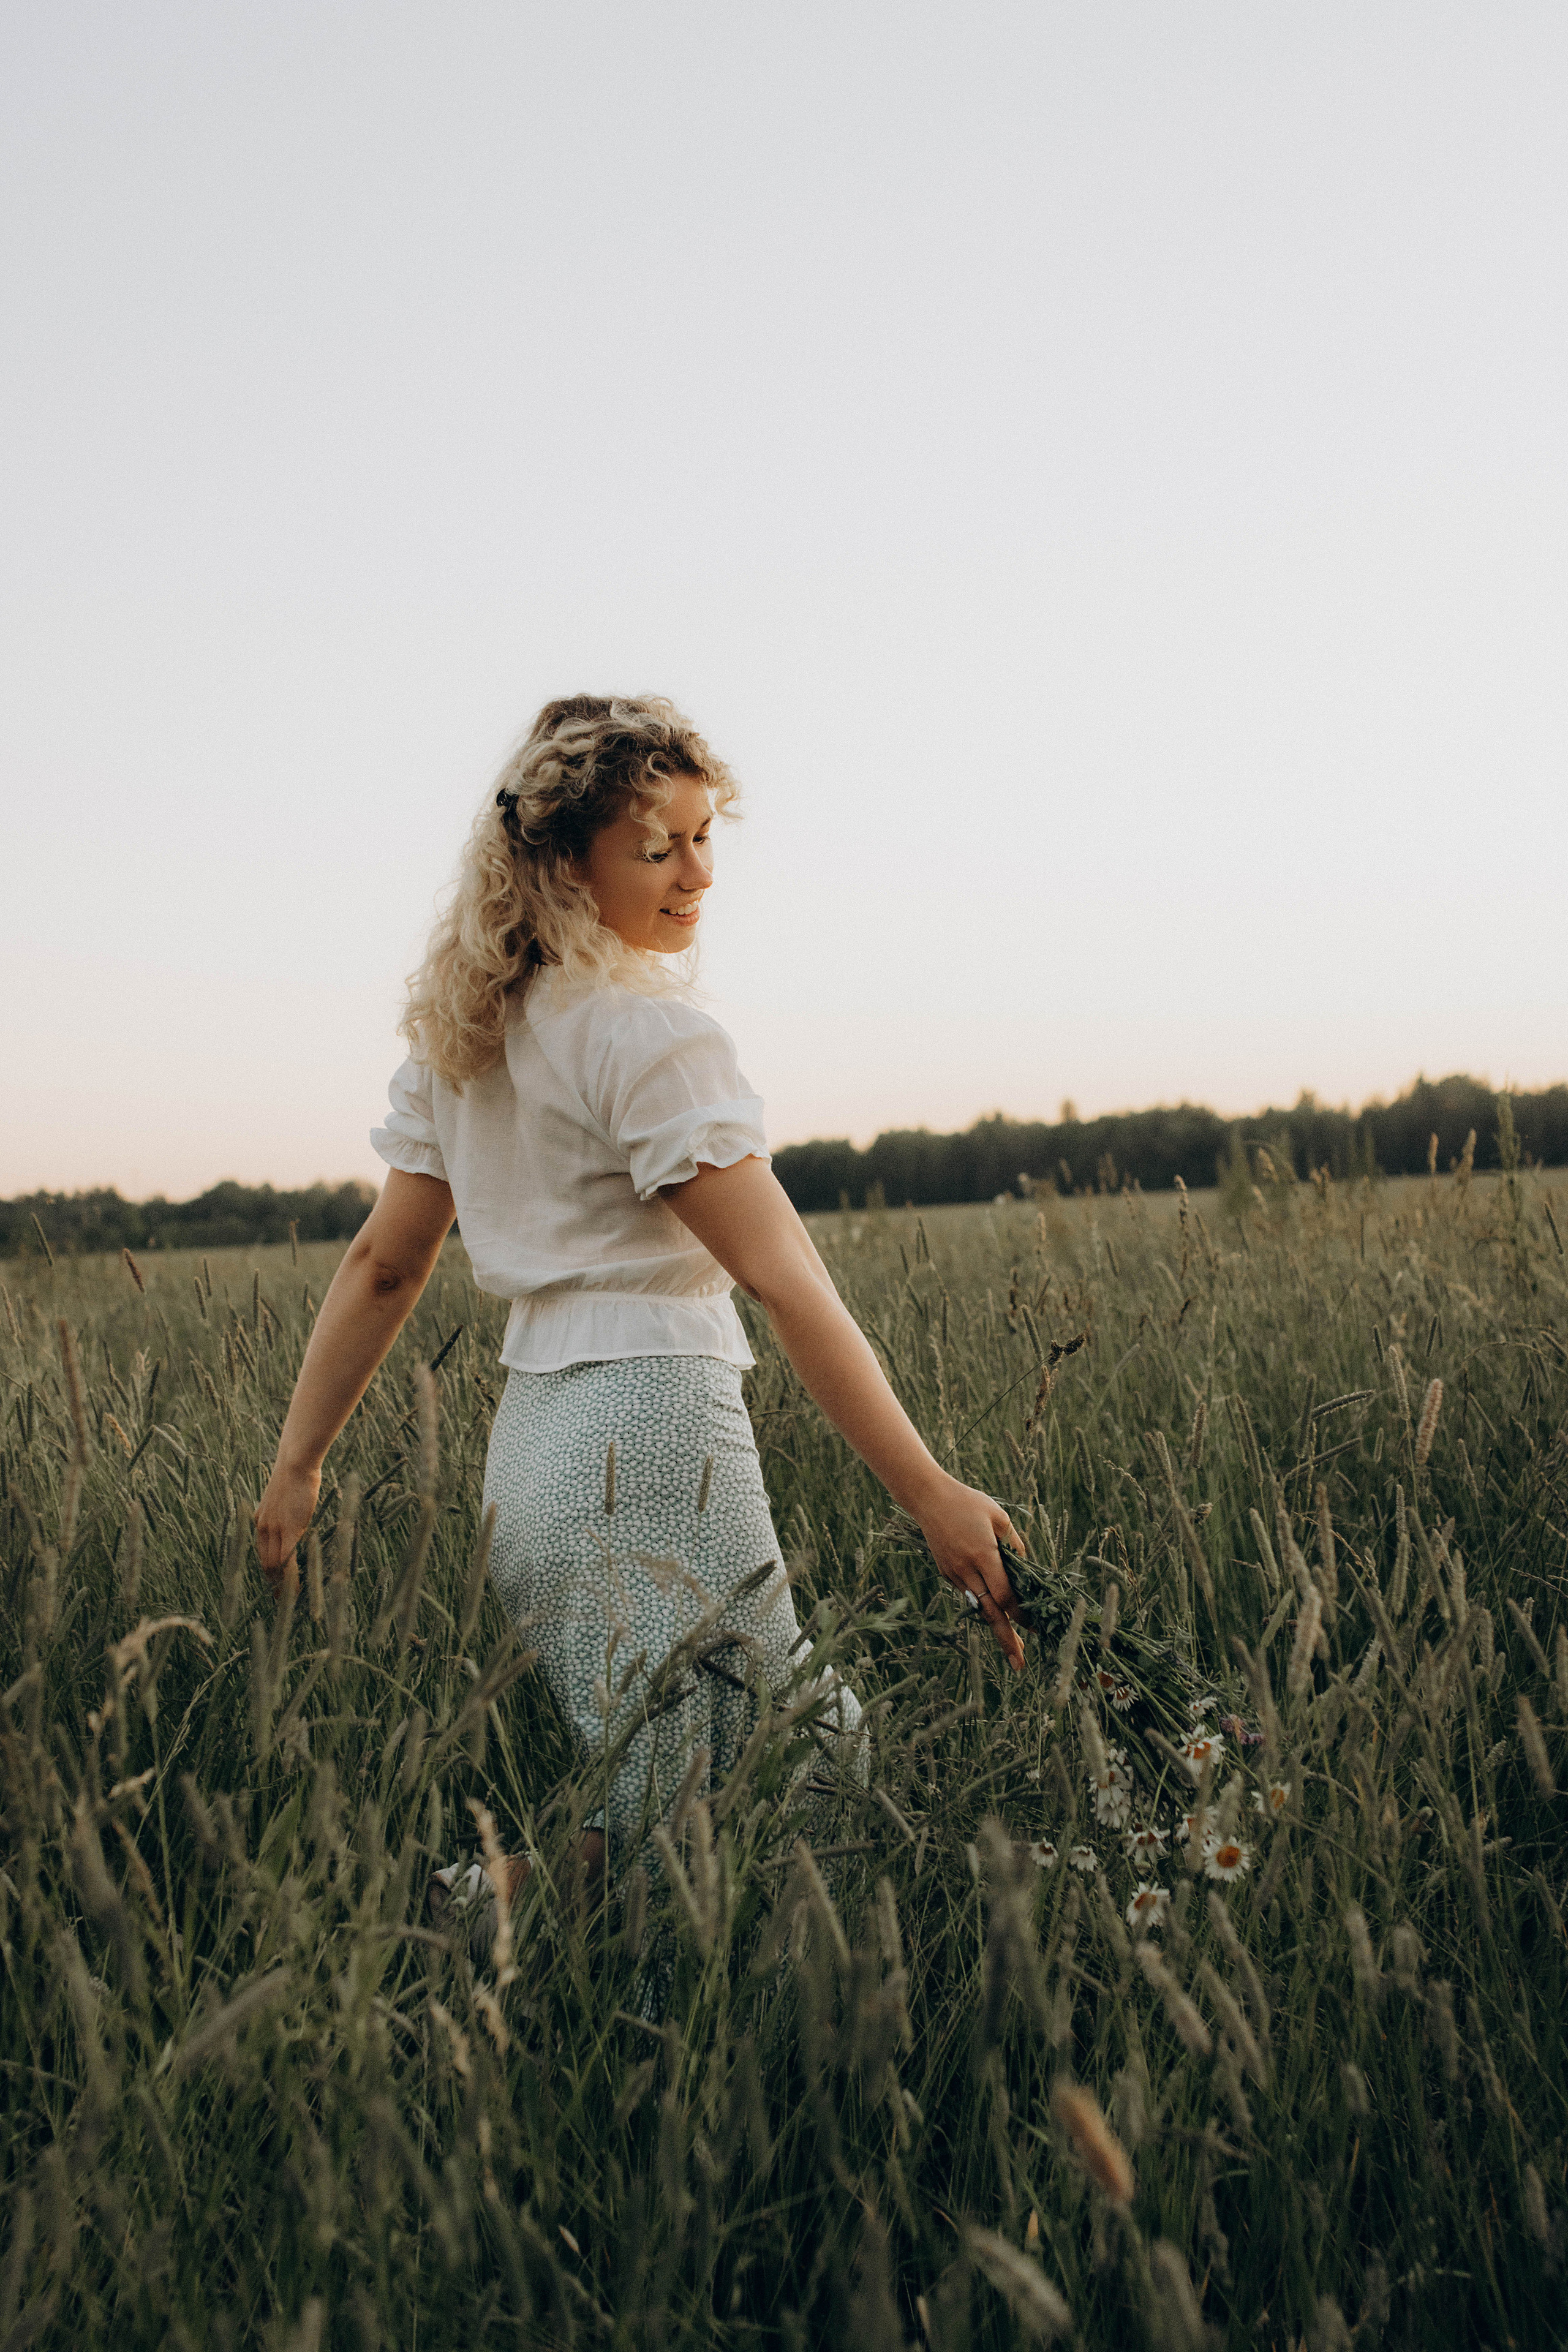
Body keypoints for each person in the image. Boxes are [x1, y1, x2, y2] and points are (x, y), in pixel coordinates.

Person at [255, 694, 1025, 1909]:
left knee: (677, 1803)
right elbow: (782, 1279)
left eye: (704, 834)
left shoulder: (465, 1043)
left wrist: (299, 1463)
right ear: (560, 864)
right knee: (793, 1782)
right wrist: (929, 1493)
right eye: (653, 847)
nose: (695, 874)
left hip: (533, 1461)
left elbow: (383, 1266)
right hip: (649, 1432)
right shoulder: (646, 1035)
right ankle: (699, 2061)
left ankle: (424, 1923)